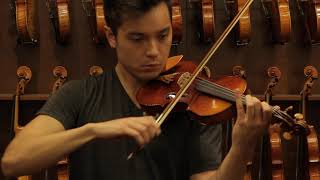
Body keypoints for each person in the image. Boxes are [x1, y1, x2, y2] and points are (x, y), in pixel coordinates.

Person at [1, 0, 271, 179]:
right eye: (137, 38)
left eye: (163, 36)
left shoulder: (195, 101)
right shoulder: (80, 94)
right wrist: (94, 130)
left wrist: (243, 145)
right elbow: (14, 161)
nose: (154, 51)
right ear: (111, 37)